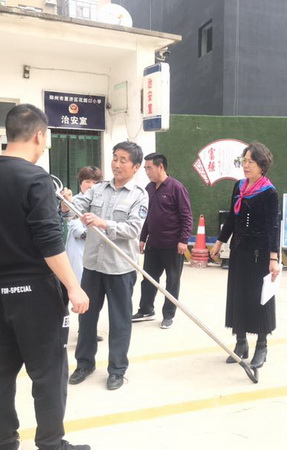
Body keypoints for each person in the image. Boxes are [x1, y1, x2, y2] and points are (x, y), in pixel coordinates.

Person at [0, 104, 91, 450]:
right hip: (36, 293)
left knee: (1, 371)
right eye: (46, 138)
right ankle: (51, 443)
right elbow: (49, 241)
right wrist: (74, 286)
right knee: (48, 372)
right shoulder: (35, 178)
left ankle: (5, 442)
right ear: (39, 135)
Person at [62, 141, 148, 391]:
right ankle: (84, 364)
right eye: (115, 158)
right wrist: (66, 202)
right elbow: (74, 210)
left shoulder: (139, 195)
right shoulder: (98, 189)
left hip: (120, 268)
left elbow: (133, 229)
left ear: (135, 167)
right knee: (87, 318)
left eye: (123, 160)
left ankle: (117, 370)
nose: (116, 164)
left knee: (120, 321)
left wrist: (103, 223)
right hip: (93, 266)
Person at [210, 142, 281, 369]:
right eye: (244, 161)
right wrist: (220, 242)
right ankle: (241, 343)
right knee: (238, 295)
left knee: (260, 298)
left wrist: (273, 259)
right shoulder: (239, 186)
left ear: (262, 165)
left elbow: (273, 227)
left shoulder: (269, 192)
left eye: (251, 161)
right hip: (239, 251)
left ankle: (262, 346)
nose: (246, 165)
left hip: (260, 254)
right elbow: (232, 219)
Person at [131, 153, 193, 329]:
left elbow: (187, 217)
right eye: (145, 168)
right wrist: (142, 238)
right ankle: (146, 310)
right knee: (148, 279)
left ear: (161, 167)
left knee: (172, 281)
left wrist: (183, 240)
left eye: (149, 168)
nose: (147, 172)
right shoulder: (148, 189)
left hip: (173, 245)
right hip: (153, 244)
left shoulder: (176, 188)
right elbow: (145, 215)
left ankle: (168, 315)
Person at [65, 166, 104, 343]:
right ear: (81, 183)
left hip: (96, 253)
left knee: (91, 294)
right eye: (87, 181)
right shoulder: (74, 201)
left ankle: (86, 330)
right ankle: (81, 331)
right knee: (79, 290)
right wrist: (94, 232)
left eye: (95, 182)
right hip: (78, 251)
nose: (91, 185)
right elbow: (74, 226)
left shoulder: (101, 202)